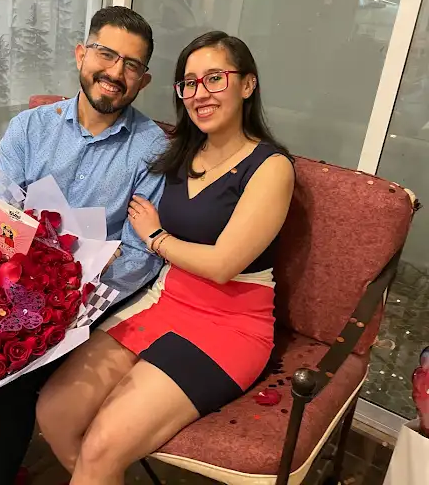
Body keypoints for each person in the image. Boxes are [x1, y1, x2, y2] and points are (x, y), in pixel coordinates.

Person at [0, 6, 167, 485]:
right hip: (8, 275)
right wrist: (3, 283)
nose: (115, 72)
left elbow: (139, 256)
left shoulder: (152, 149)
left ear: (143, 80)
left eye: (131, 64)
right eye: (105, 54)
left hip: (84, 300)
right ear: (81, 55)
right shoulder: (30, 128)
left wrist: (64, 298)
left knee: (11, 375)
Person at [36, 31, 295, 484]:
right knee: (53, 412)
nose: (200, 93)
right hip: (164, 301)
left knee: (101, 447)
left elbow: (223, 265)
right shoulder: (179, 152)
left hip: (229, 323)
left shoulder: (270, 167)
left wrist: (155, 237)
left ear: (248, 84)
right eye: (189, 83)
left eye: (215, 78)